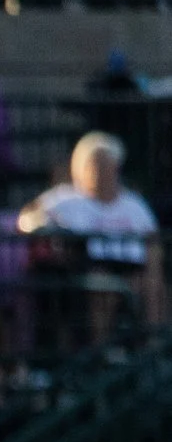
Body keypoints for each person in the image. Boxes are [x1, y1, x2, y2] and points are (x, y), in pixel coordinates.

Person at [19, 130, 163, 335]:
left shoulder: (134, 204)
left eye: (107, 166)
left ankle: (154, 340)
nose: (102, 172)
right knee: (103, 284)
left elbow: (153, 240)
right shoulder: (65, 200)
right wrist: (45, 226)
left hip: (132, 268)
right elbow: (28, 218)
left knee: (154, 284)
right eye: (96, 166)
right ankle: (101, 347)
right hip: (88, 267)